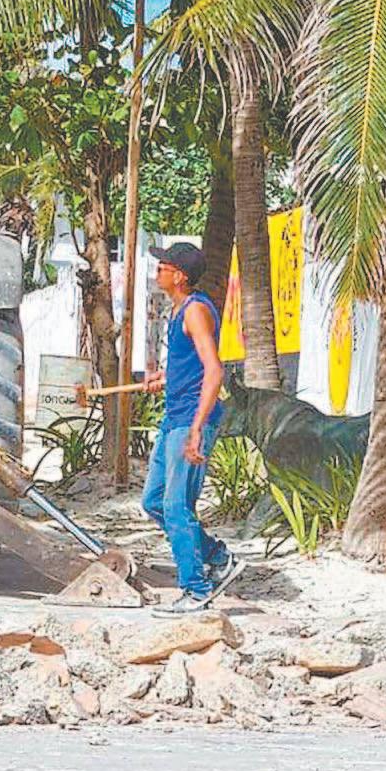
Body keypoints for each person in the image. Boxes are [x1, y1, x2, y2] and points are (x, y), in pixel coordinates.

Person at [141, 241, 243, 613]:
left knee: (176, 507)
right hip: (174, 417)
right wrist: (166, 378)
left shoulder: (196, 311)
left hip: (190, 420)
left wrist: (197, 429)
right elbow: (193, 367)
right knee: (154, 502)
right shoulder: (179, 310)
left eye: (163, 267)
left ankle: (196, 589)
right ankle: (217, 556)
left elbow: (214, 371)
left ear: (180, 276)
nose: (158, 272)